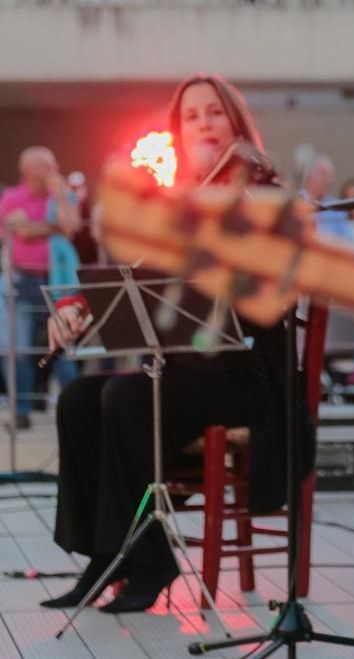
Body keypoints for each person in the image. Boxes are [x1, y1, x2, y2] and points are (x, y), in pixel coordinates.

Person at [43, 73, 307, 614]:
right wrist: (74, 307)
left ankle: (150, 559)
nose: (203, 123)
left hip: (245, 379)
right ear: (179, 134)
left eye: (214, 112)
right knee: (78, 399)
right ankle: (104, 552)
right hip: (181, 373)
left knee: (125, 399)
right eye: (191, 116)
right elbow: (134, 279)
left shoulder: (266, 195)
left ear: (235, 121)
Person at [0, 147, 83, 428]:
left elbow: (70, 226)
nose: (54, 169)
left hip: (56, 279)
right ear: (29, 170)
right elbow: (21, 231)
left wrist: (59, 197)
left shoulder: (61, 196)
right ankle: (21, 410)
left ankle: (77, 408)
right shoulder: (12, 198)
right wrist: (53, 226)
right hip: (23, 281)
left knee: (61, 346)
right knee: (19, 349)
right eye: (47, 165)